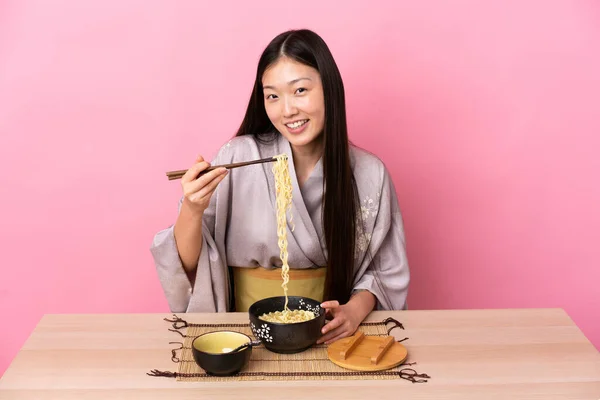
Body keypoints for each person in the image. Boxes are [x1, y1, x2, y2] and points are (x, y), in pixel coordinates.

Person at [150, 29, 410, 345]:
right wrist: (192, 208)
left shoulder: (369, 173)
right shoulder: (238, 155)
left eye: (299, 90)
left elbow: (384, 273)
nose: (287, 110)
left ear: (329, 89)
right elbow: (188, 265)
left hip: (328, 333)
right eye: (273, 95)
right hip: (246, 332)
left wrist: (354, 311)